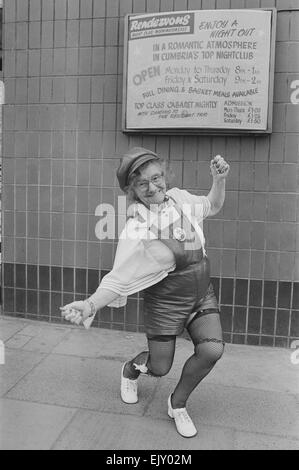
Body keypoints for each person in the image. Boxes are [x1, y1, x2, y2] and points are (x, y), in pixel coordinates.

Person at [60, 147, 230, 438]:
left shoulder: (182, 199)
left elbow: (212, 206)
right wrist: (90, 305)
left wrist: (219, 179)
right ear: (133, 191)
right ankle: (131, 369)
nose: (153, 187)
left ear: (164, 175)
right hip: (165, 303)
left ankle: (177, 404)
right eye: (143, 184)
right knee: (160, 367)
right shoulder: (136, 229)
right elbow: (119, 277)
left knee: (212, 350)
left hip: (202, 295)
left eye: (156, 178)